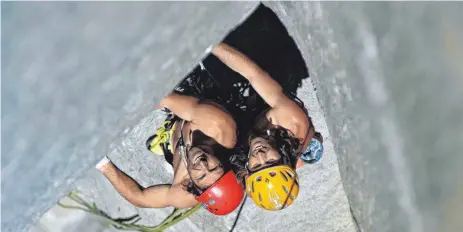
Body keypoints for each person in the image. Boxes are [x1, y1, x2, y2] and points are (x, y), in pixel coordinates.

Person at [212, 42, 324, 211]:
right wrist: (210, 45)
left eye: (257, 166)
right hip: (268, 105)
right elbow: (253, 74)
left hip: (259, 128)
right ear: (285, 157)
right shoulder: (291, 122)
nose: (260, 155)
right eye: (271, 161)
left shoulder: (247, 170)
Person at [96, 91, 244, 215]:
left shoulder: (182, 191)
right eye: (214, 167)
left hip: (178, 140)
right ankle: (171, 134)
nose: (203, 164)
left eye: (201, 175)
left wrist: (102, 163)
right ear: (223, 163)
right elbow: (163, 97)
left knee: (176, 147)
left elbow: (139, 198)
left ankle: (169, 143)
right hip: (195, 110)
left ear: (191, 184)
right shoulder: (217, 125)